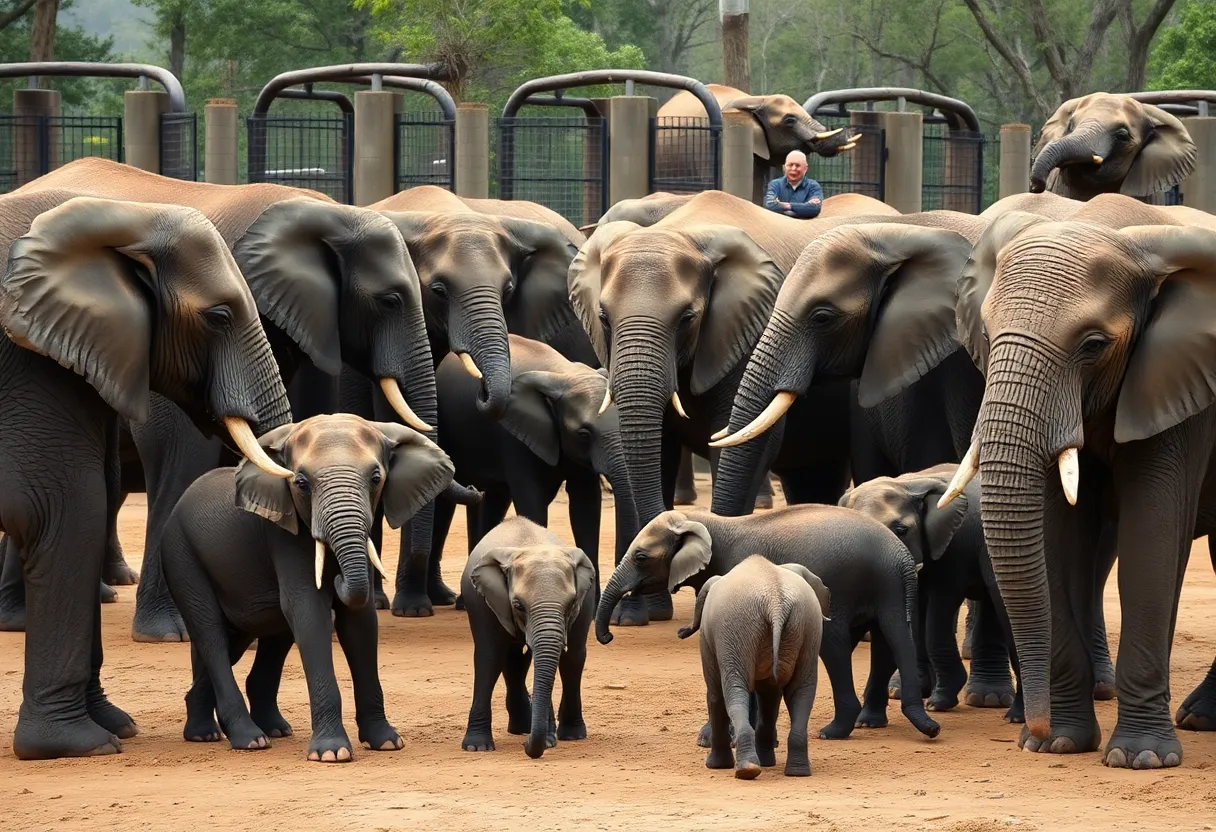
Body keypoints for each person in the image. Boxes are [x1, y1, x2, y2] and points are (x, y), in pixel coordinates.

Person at [763, 150, 824, 218]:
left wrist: (786, 206)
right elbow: (770, 205)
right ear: (784, 167)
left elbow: (814, 209)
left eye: (798, 165)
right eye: (790, 165)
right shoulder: (775, 184)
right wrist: (803, 207)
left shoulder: (813, 186)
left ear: (805, 168)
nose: (793, 168)